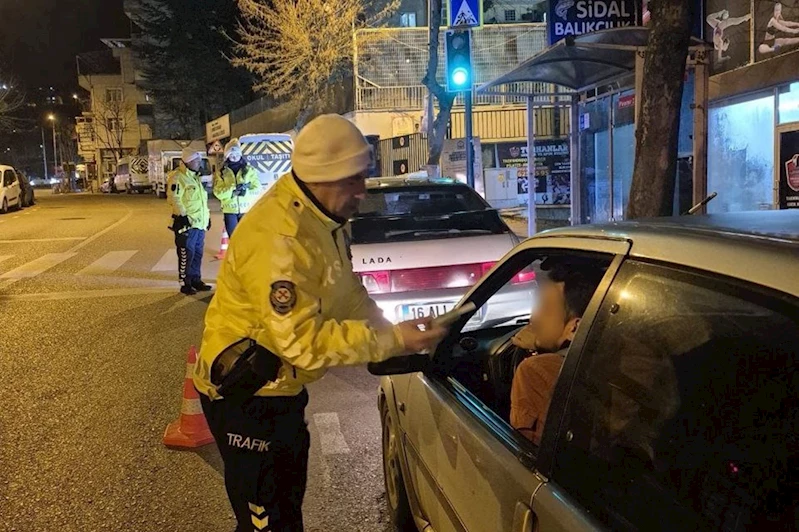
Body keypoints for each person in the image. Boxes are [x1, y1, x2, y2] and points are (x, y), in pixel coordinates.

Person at [192, 114, 449, 532]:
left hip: (281, 389)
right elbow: (302, 344)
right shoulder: (282, 239)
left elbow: (348, 295)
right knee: (266, 522)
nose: (362, 190)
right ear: (322, 178)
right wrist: (390, 340)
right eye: (353, 180)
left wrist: (392, 331)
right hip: (247, 398)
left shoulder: (323, 220)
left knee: (286, 510)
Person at [510, 260, 604, 445]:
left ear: (574, 328)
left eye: (546, 309)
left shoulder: (535, 371)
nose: (533, 317)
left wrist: (538, 352)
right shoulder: (626, 356)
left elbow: (524, 451)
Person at [172, 148, 212, 295]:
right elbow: (174, 198)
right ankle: (185, 283)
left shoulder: (195, 177)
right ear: (188, 161)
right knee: (186, 254)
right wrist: (182, 216)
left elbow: (202, 202)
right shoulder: (178, 178)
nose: (199, 163)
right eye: (196, 160)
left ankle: (196, 280)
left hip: (199, 224)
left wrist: (207, 218)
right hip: (187, 224)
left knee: (197, 254)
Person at [213, 138, 262, 237]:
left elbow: (257, 189)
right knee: (234, 239)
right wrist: (232, 191)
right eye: (231, 155)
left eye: (237, 154)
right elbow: (218, 192)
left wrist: (245, 191)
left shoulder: (249, 170)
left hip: (246, 210)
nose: (235, 157)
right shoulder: (221, 173)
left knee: (247, 238)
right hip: (230, 211)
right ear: (227, 156)